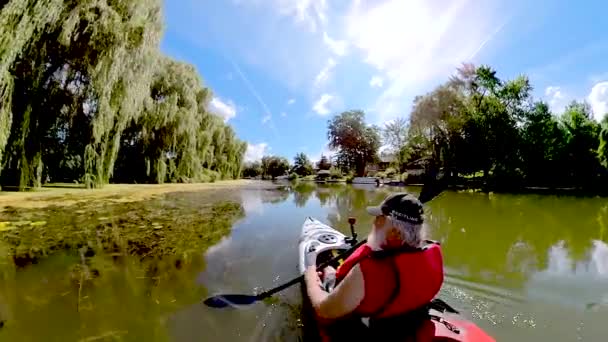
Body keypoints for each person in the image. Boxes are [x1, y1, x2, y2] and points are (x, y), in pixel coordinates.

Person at [304, 193, 444, 340]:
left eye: (379, 218)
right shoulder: (432, 252)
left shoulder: (368, 270)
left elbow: (323, 310)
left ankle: (327, 270)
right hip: (408, 321)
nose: (374, 222)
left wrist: (310, 276)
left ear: (395, 232)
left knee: (329, 271)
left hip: (375, 329)